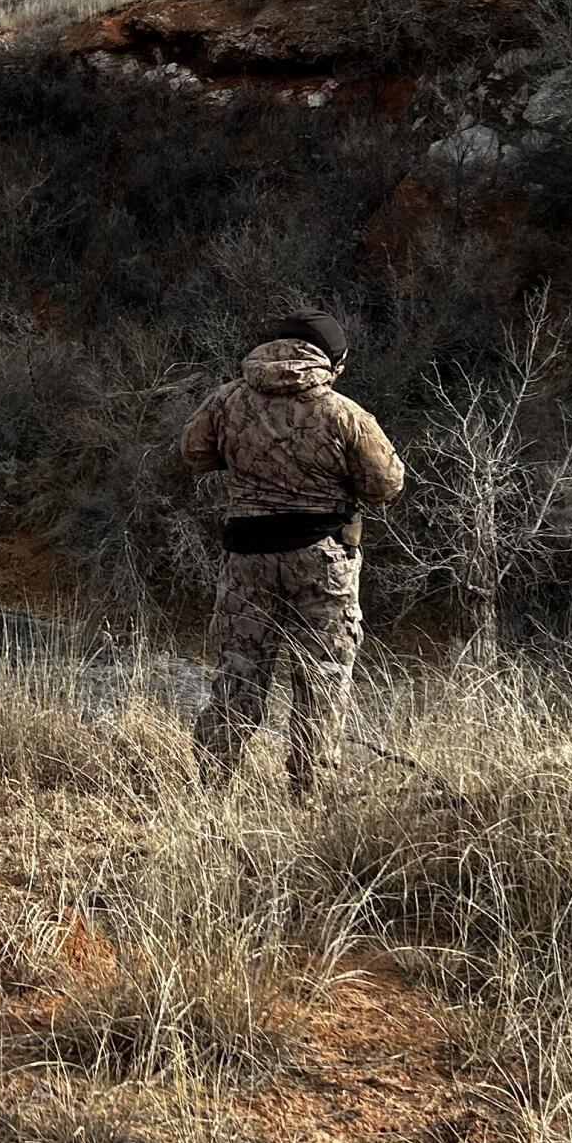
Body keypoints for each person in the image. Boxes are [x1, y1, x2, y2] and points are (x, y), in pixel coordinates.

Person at [179, 309, 404, 801]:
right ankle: (309, 800)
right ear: (333, 360)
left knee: (239, 673)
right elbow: (386, 485)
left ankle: (210, 795)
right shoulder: (344, 414)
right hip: (321, 560)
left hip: (246, 557)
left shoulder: (226, 400)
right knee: (322, 679)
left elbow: (193, 453)